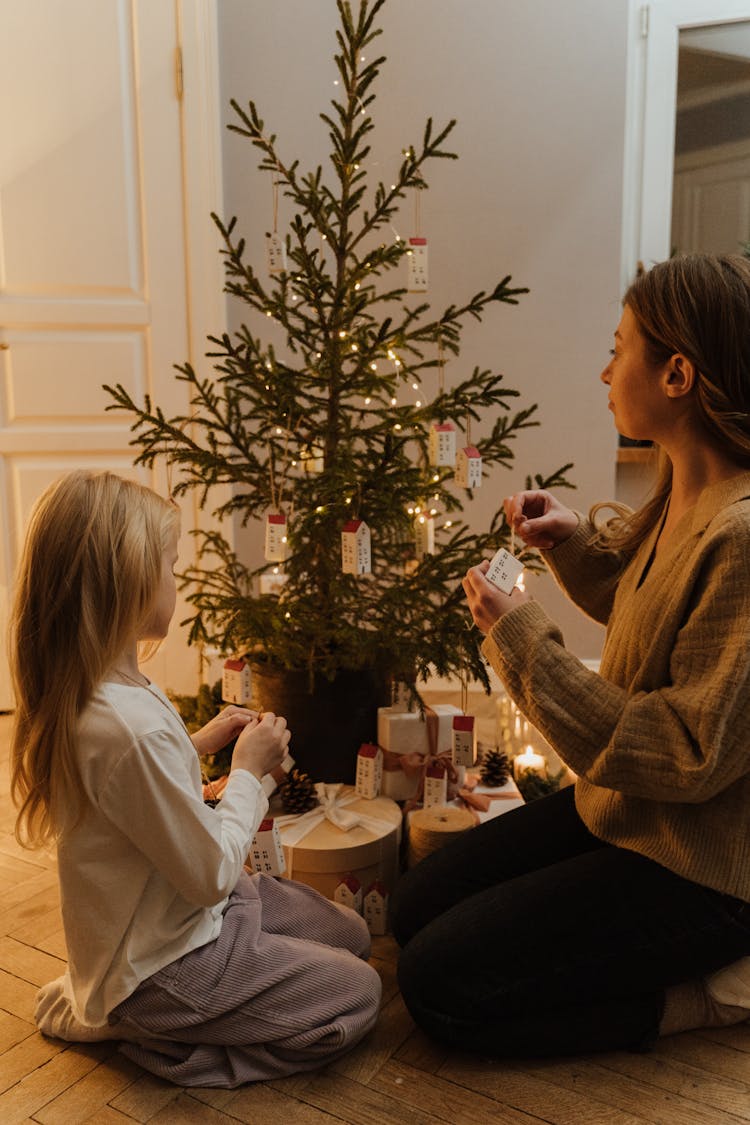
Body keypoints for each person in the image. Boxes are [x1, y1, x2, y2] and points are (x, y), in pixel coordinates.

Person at [391, 252, 750, 1057]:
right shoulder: (684, 493)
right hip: (625, 812)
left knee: (439, 988)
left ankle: (702, 996)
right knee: (412, 909)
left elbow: (685, 751)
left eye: (619, 348)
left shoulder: (743, 536)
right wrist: (577, 545)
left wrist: (520, 637)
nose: (604, 370)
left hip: (703, 867)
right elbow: (653, 608)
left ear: (677, 375)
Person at [10, 470, 381, 1088]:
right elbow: (210, 874)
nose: (174, 583)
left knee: (352, 934)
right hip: (166, 962)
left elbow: (134, 789)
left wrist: (197, 745)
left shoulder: (107, 685)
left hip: (180, 916)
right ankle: (142, 1030)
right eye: (169, 568)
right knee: (359, 994)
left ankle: (116, 998)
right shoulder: (124, 727)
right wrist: (245, 772)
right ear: (126, 582)